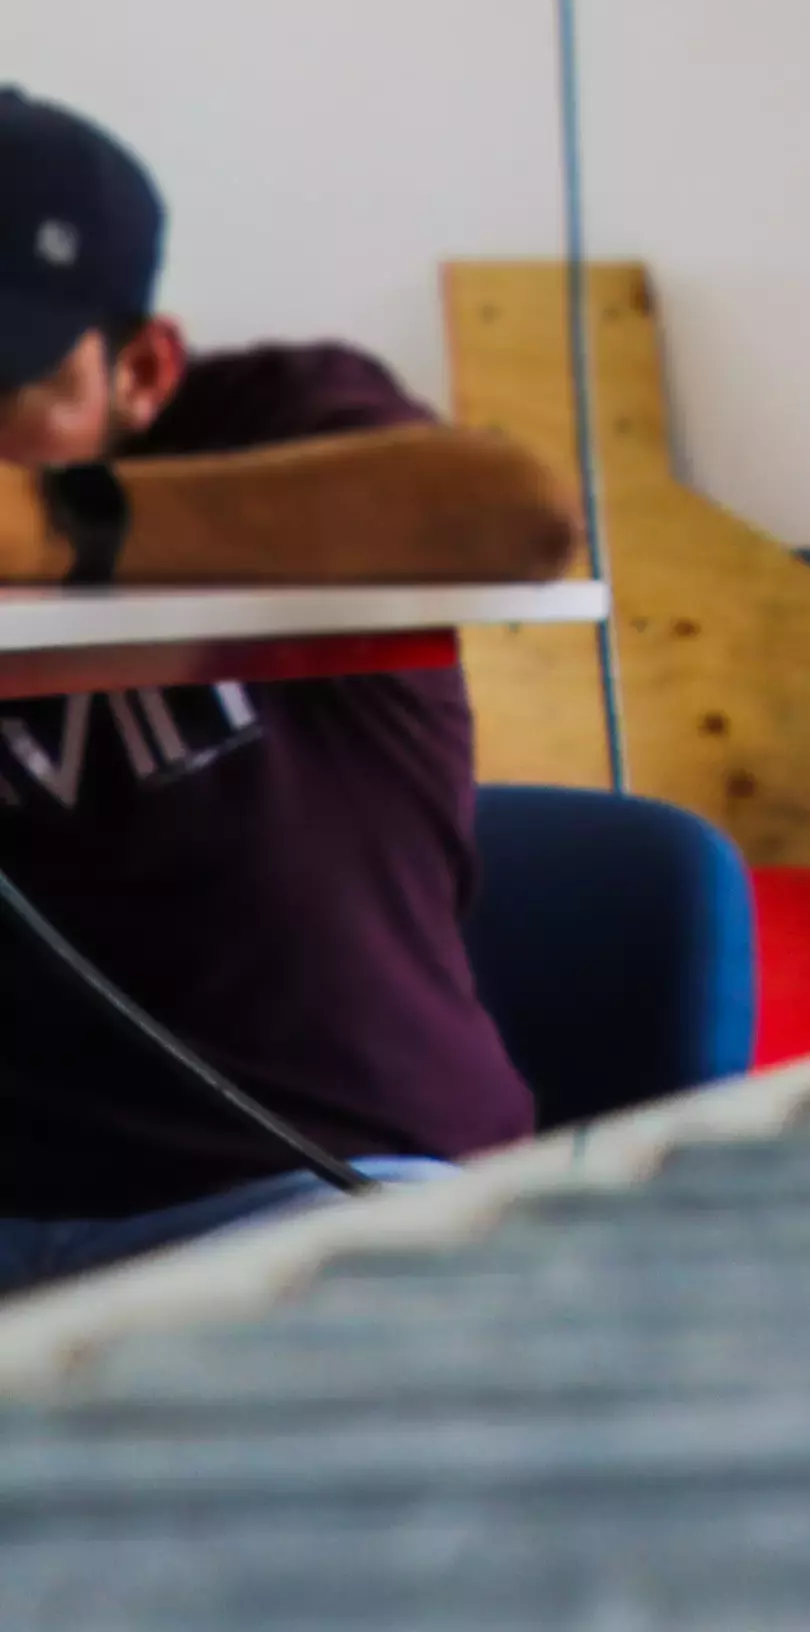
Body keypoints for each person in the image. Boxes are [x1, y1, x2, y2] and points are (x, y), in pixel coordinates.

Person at [0, 89, 587, 1284]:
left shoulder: (280, 421)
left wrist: (50, 524)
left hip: (303, 1183)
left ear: (145, 366)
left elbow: (516, 513)